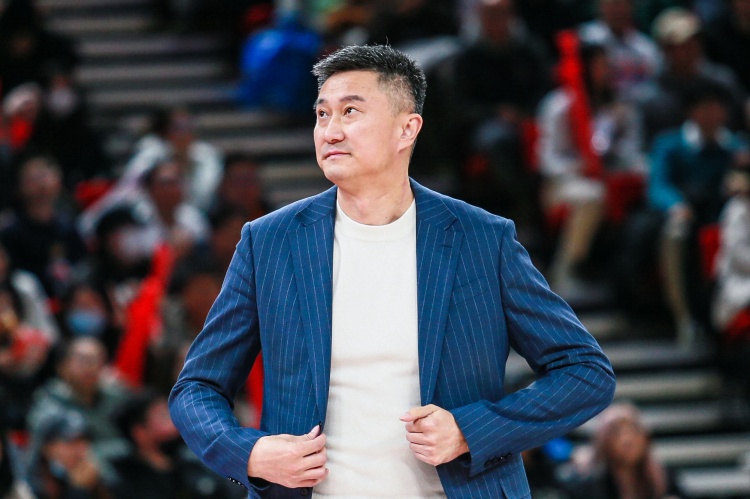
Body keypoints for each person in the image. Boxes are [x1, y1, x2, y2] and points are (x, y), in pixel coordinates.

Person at [169, 44, 615, 497]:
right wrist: (249, 453)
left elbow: (585, 372)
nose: (331, 131)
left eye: (350, 112)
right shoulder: (269, 242)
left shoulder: (483, 241)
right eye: (322, 114)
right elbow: (197, 387)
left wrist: (471, 430)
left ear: (407, 128)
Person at [560, 403, 680, 499]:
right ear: (603, 441)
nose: (627, 440)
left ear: (645, 438)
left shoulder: (665, 478)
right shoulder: (585, 484)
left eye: (634, 430)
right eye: (616, 432)